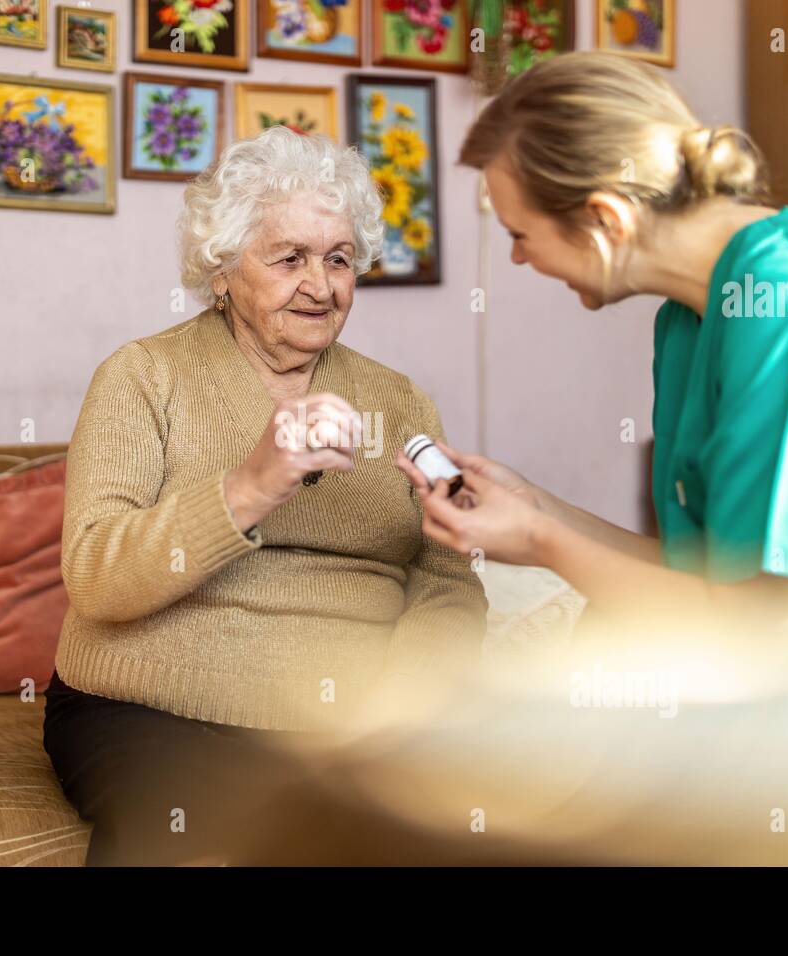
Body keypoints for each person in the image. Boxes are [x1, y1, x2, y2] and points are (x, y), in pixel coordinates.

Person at [43, 126, 488, 865]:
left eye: (339, 259)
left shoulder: (400, 402)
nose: (321, 285)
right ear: (222, 270)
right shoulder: (143, 377)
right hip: (156, 711)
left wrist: (402, 709)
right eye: (289, 258)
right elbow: (95, 575)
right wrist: (248, 489)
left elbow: (448, 578)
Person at [397, 51, 788, 634]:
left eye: (520, 234)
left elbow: (747, 626)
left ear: (605, 219)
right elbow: (703, 580)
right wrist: (537, 510)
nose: (518, 257)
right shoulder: (686, 319)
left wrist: (539, 541)